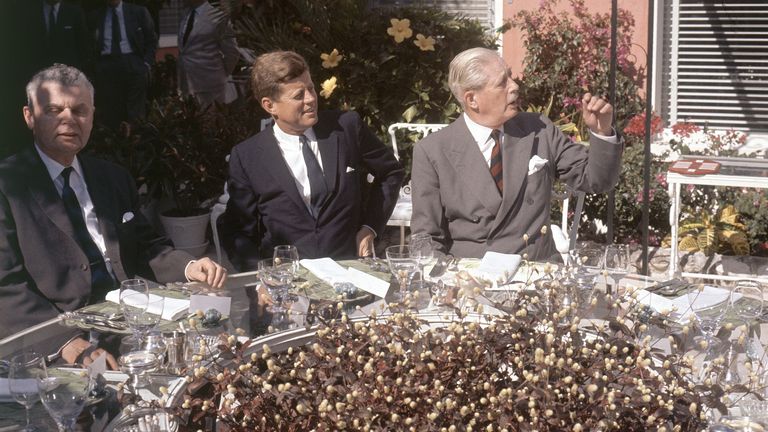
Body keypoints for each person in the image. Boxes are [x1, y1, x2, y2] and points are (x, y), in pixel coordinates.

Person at [0, 64, 227, 366]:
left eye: (80, 111)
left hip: (136, 317)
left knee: (221, 340)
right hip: (61, 331)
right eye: (55, 110)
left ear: (92, 116)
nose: (69, 120)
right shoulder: (9, 186)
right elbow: (6, 284)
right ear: (30, 116)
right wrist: (66, 344)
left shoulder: (113, 178)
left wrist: (189, 265)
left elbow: (146, 245)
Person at [411, 47, 623, 260]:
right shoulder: (432, 151)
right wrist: (448, 284)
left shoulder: (538, 128)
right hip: (474, 278)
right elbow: (426, 238)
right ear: (472, 99)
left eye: (511, 76)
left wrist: (602, 131)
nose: (514, 86)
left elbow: (596, 181)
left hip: (537, 273)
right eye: (502, 82)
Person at [220, 50, 404, 270]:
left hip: (351, 271)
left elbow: (391, 172)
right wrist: (259, 280)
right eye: (299, 95)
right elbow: (238, 230)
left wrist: (370, 227)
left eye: (311, 88)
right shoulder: (248, 156)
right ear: (270, 106)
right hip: (287, 281)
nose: (311, 99)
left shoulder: (346, 128)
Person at [88, 0, 156, 128]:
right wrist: (96, 67)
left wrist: (146, 64)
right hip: (106, 65)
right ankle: (115, 143)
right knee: (111, 111)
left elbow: (151, 40)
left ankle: (136, 142)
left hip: (133, 62)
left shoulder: (138, 12)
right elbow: (90, 45)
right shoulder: (96, 16)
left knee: (135, 112)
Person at [177, 0, 240, 107]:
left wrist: (220, 74)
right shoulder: (185, 14)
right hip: (188, 84)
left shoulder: (217, 16)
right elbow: (185, 50)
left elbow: (232, 52)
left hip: (211, 85)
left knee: (211, 121)